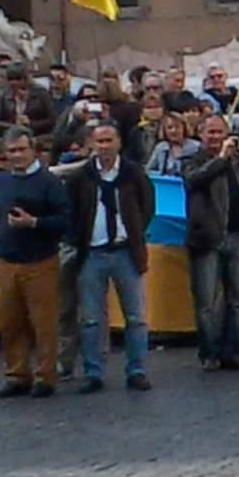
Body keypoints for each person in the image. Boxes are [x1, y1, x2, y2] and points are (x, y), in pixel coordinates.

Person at [66, 120, 155, 393]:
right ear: (92, 144)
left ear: (118, 143)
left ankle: (137, 369)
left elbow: (147, 206)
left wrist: (135, 233)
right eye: (99, 141)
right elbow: (73, 211)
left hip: (125, 252)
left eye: (109, 141)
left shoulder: (133, 173)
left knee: (136, 316)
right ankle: (94, 371)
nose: (104, 147)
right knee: (91, 318)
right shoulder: (81, 177)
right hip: (91, 254)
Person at [0, 128, 73, 397]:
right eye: (11, 151)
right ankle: (17, 374)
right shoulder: (0, 181)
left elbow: (65, 220)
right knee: (11, 321)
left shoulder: (48, 181)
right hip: (7, 260)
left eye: (21, 150)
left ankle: (45, 375)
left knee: (43, 322)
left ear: (33, 150)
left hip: (40, 260)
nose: (16, 156)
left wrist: (33, 222)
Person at [182, 113, 239, 373]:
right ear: (201, 135)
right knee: (207, 302)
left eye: (219, 133)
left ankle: (233, 351)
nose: (215, 137)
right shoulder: (194, 160)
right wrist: (220, 160)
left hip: (237, 236)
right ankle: (209, 353)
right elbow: (195, 180)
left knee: (238, 300)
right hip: (207, 240)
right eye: (210, 133)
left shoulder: (238, 163)